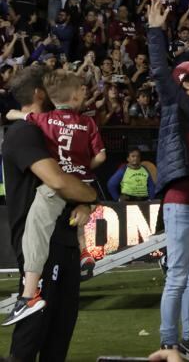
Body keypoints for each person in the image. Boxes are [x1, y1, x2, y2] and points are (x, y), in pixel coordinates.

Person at [2, 66, 99, 361]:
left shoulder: (49, 129)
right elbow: (58, 181)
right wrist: (90, 195)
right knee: (32, 335)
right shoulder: (24, 132)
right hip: (43, 246)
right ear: (39, 93)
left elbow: (73, 175)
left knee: (60, 332)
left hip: (64, 239)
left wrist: (84, 203)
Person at [148, 0, 189, 361]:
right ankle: (167, 341)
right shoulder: (179, 104)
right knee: (178, 275)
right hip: (182, 201)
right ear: (185, 82)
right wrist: (156, 32)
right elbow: (160, 72)